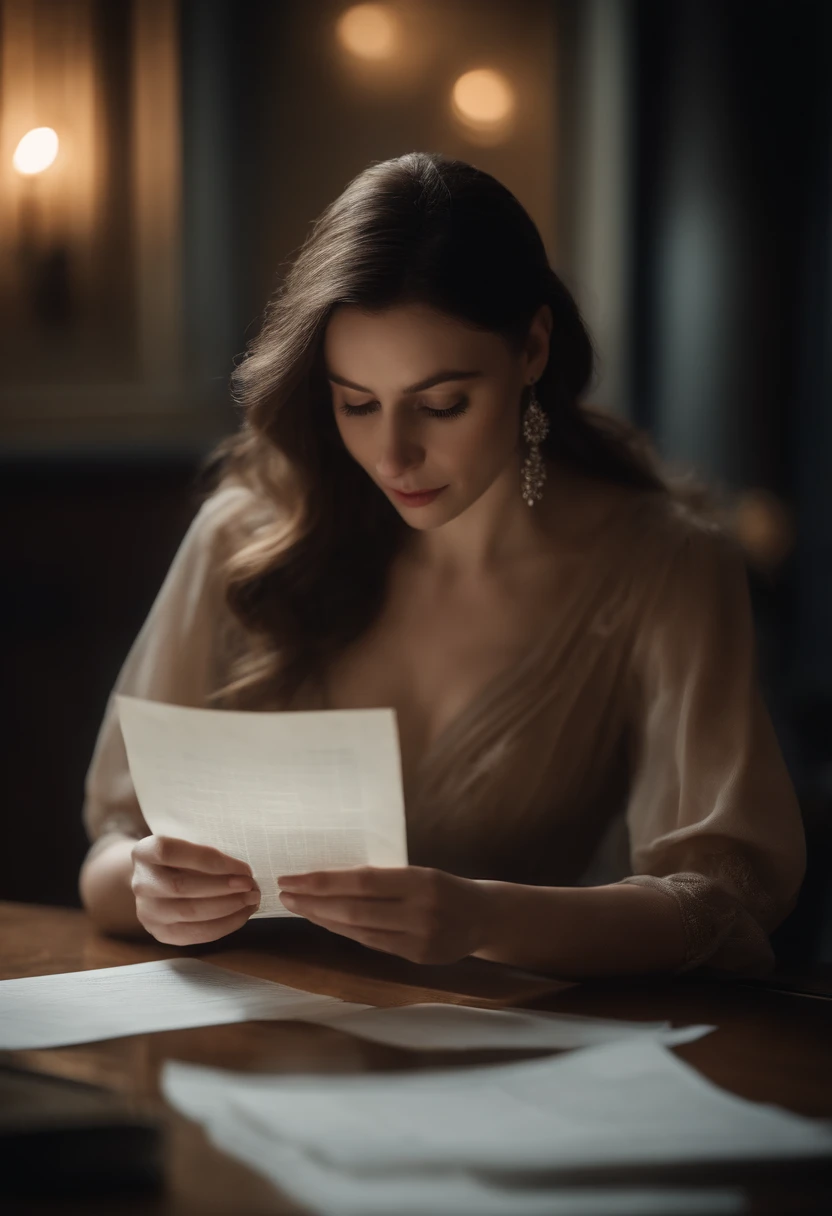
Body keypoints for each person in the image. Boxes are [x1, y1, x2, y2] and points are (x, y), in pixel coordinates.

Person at [79, 152, 805, 979]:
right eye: (357, 404)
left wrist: (487, 917)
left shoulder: (664, 564)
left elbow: (721, 905)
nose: (392, 454)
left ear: (532, 349)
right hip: (253, 1045)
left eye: (441, 404)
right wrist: (148, 887)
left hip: (504, 1060)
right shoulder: (243, 537)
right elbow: (110, 850)